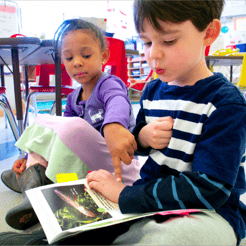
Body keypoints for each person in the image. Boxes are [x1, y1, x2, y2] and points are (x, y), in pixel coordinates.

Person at [2, 0, 245, 245]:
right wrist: (142, 137)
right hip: (148, 200)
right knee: (87, 218)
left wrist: (126, 195)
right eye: (147, 42)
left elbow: (211, 188)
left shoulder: (225, 103)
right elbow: (137, 145)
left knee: (169, 239)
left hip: (209, 212)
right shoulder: (153, 91)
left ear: (209, 33)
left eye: (169, 41)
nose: (153, 54)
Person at [1, 18, 145, 231]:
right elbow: (57, 137)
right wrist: (27, 156)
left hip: (119, 164)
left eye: (86, 55)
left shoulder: (108, 83)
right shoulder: (72, 97)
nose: (77, 62)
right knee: (52, 127)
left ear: (103, 56)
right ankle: (32, 180)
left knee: (71, 128)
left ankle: (33, 183)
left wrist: (114, 125)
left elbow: (118, 101)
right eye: (69, 57)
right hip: (88, 168)